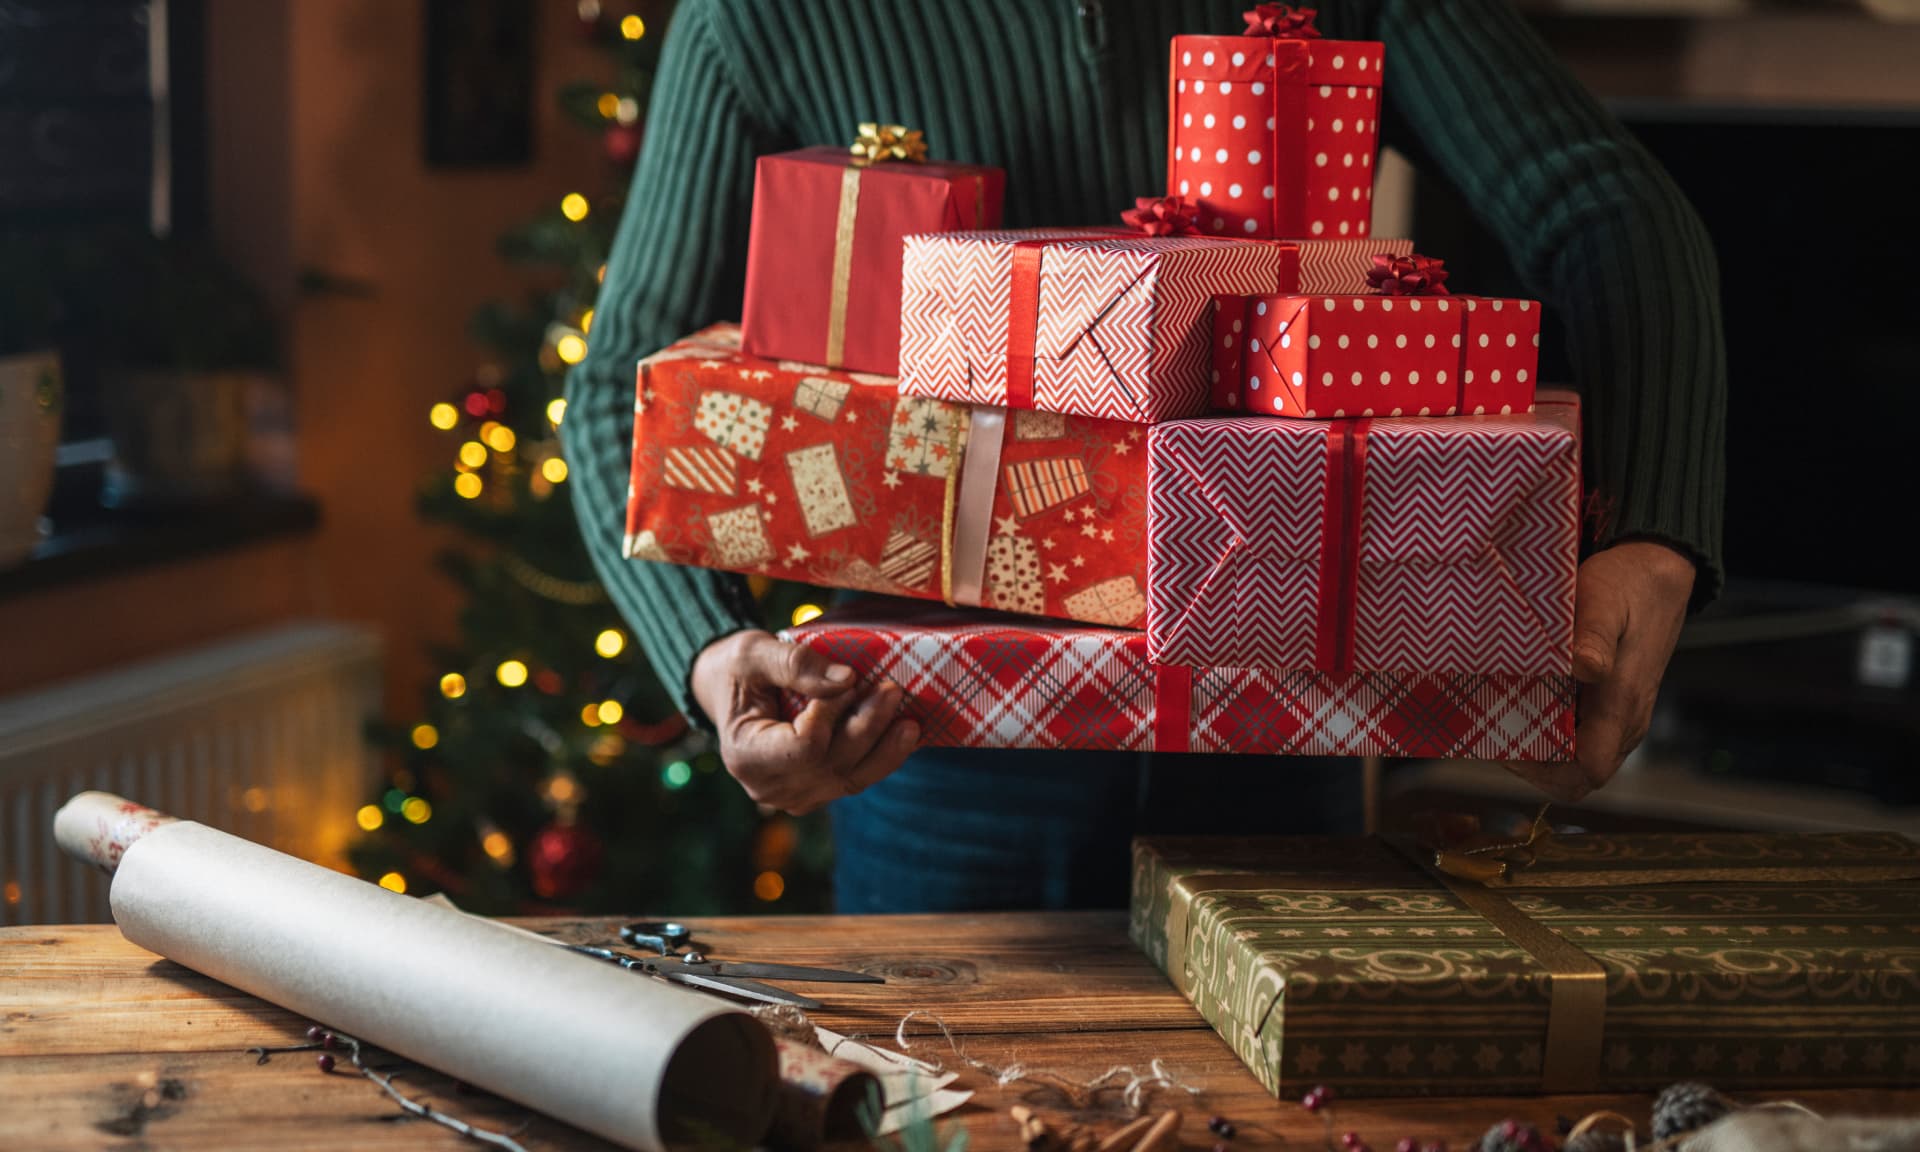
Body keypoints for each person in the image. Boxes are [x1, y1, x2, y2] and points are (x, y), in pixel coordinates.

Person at [562, 0, 1720, 911]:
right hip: (930, 753)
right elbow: (621, 387)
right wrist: (713, 656)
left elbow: (1606, 205)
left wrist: (1654, 538)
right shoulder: (757, 15)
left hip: (1281, 721)